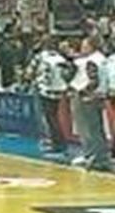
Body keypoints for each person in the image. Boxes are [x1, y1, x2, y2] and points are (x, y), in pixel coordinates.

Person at [74, 36, 111, 171]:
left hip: (89, 98)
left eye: (84, 45)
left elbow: (93, 80)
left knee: (89, 129)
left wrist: (83, 92)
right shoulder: (103, 59)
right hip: (100, 96)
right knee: (98, 129)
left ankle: (94, 157)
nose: (82, 48)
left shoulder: (91, 61)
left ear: (91, 46)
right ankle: (100, 156)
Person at [33, 37, 71, 154]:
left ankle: (57, 142)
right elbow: (68, 74)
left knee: (49, 118)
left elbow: (32, 70)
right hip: (58, 91)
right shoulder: (61, 59)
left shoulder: (41, 57)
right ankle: (57, 141)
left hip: (45, 90)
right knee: (53, 117)